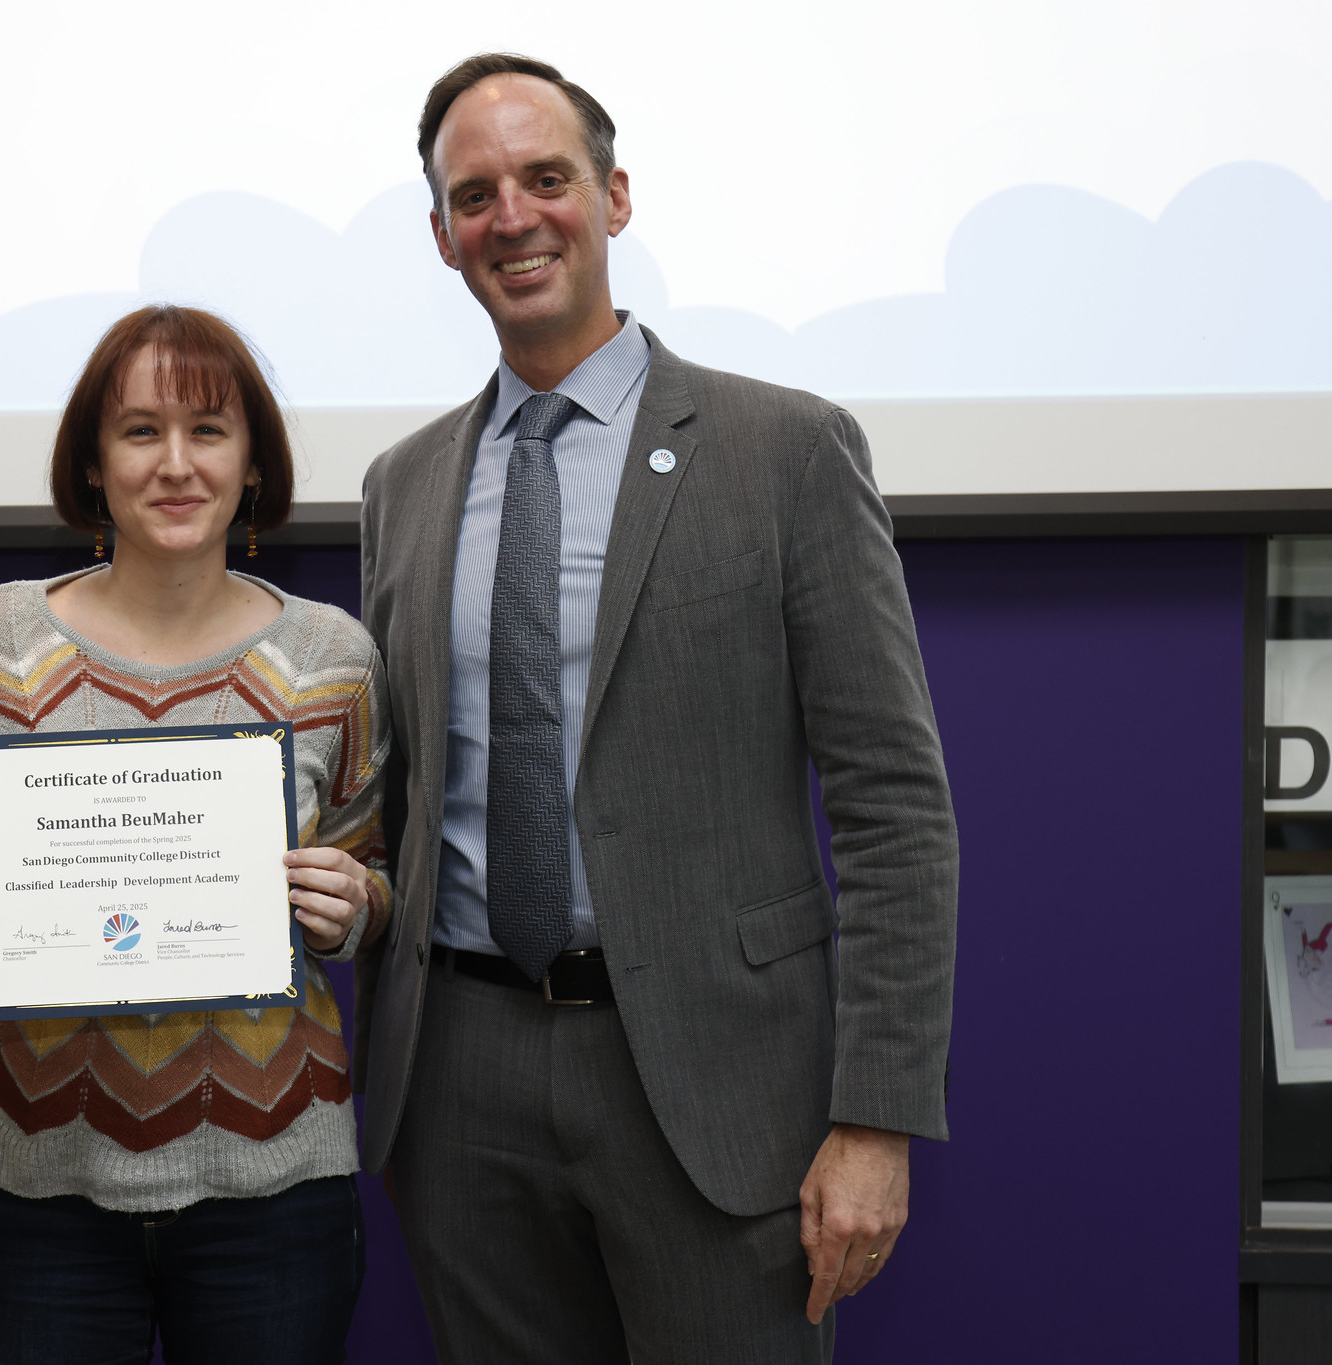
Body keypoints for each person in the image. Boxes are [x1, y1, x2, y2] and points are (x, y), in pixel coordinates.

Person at [355, 54, 959, 1363]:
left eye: (546, 178)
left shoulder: (784, 450)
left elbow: (895, 810)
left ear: (615, 196)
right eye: (474, 195)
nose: (512, 216)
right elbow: (397, 802)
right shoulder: (400, 488)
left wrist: (877, 1116)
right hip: (459, 1082)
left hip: (710, 1082)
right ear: (445, 235)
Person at [0, 305, 392, 1365]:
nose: (175, 464)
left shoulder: (330, 657)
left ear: (252, 464)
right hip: (37, 1187)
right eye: (140, 431)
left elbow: (372, 869)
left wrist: (357, 905)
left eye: (207, 430)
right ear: (93, 464)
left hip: (274, 1188)